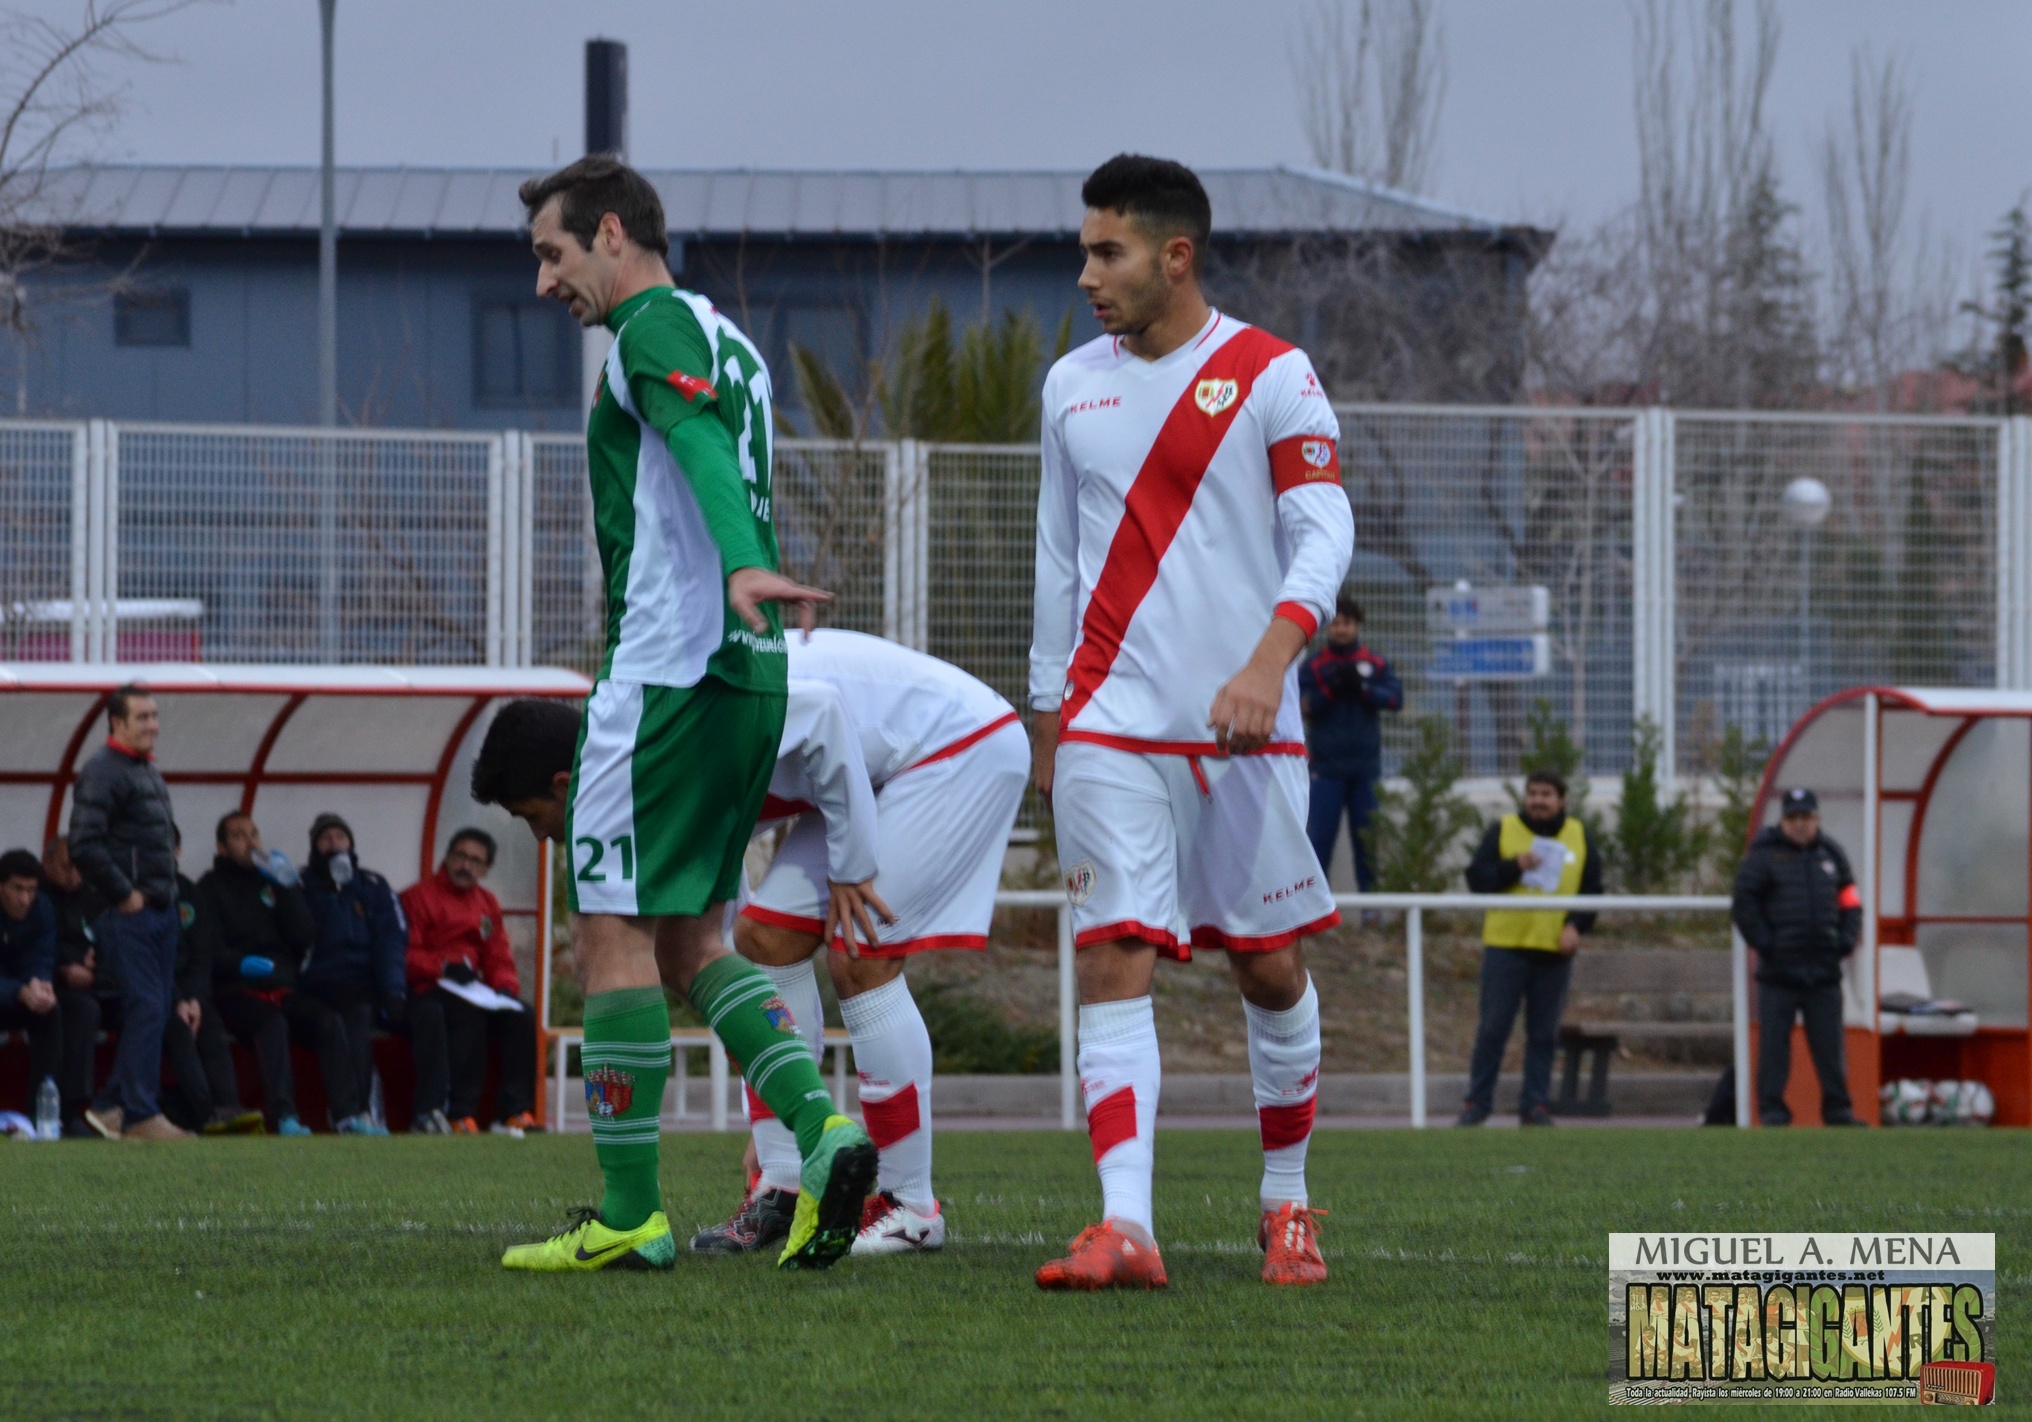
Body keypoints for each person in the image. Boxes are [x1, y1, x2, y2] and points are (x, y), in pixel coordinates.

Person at [499, 154, 874, 1273]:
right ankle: (824, 1127)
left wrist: (749, 563)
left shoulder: (651, 331)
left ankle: (627, 1215)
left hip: (665, 676)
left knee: (607, 925)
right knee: (693, 941)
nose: (543, 284)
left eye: (551, 255)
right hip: (747, 681)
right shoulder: (731, 341)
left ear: (611, 234)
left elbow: (703, 451)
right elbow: (717, 441)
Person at [1027, 155, 1354, 1289]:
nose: (1085, 275)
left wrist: (1271, 661)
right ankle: (1126, 1227)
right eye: (1082, 251)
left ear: (1176, 257)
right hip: (1109, 723)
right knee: (1114, 954)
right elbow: (1057, 562)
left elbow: (1323, 533)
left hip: (1245, 733)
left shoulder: (1272, 372)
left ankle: (1286, 1205)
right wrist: (1046, 714)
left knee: (1267, 972)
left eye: (1105, 252)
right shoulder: (1070, 385)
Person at [664, 630, 1023, 1256]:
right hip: (869, 770)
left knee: (860, 954)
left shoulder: (679, 732)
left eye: (536, 818)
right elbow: (727, 925)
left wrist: (853, 865)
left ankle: (911, 1206)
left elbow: (825, 709)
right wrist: (773, 1104)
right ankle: (781, 1185)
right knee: (764, 940)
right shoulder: (664, 752)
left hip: (955, 746)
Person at [69, 684, 193, 1141]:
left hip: (158, 909)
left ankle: (112, 1106)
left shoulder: (145, 771)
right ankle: (141, 1113)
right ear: (116, 723)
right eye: (142, 717)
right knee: (147, 1005)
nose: (153, 725)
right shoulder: (104, 770)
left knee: (156, 1008)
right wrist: (124, 893)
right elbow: (83, 842)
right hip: (128, 913)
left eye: (155, 716)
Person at [199, 811, 372, 1136]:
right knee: (272, 1024)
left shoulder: (272, 882)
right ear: (222, 847)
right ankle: (284, 1117)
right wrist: (239, 963)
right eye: (238, 836)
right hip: (235, 990)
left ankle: (348, 1115)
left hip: (281, 986)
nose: (250, 842)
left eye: (254, 833)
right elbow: (208, 948)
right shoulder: (210, 887)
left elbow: (304, 936)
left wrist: (289, 887)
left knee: (327, 1021)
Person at [1459, 769, 1603, 1127]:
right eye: (1533, 793)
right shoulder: (1505, 829)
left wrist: (1576, 925)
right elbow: (1477, 879)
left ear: (1561, 800)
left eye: (1547, 794)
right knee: (1493, 1029)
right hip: (1506, 946)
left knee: (1543, 1034)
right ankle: (1477, 1103)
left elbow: (1593, 890)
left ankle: (1535, 1105)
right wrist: (1514, 867)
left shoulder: (1579, 835)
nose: (1539, 800)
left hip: (1553, 950)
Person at [1732, 787, 1864, 1127]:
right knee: (1774, 1048)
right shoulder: (1764, 856)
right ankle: (1773, 1112)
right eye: (1793, 818)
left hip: (1823, 970)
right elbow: (1744, 904)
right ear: (1783, 821)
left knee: (1830, 1048)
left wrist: (1845, 941)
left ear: (1817, 819)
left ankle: (1838, 1111)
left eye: (1806, 817)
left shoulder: (1833, 854)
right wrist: (1767, 943)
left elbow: (1851, 901)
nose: (1800, 825)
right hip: (1779, 972)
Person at [399, 829, 537, 1137]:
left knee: (522, 1015)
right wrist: (443, 967)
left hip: (472, 989)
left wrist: (504, 987)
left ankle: (513, 1112)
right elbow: (404, 954)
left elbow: (498, 954)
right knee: (467, 1013)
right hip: (427, 989)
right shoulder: (418, 897)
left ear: (485, 869)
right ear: (447, 857)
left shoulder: (486, 903)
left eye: (476, 861)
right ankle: (459, 1114)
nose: (466, 865)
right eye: (461, 856)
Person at [299, 813, 404, 1134]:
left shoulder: (371, 885)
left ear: (351, 844)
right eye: (325, 838)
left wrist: (393, 991)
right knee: (330, 1024)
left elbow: (391, 941)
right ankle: (346, 1112)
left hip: (360, 984)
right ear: (315, 847)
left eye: (340, 837)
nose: (334, 844)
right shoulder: (301, 885)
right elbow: (294, 936)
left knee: (358, 1017)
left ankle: (361, 1111)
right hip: (313, 984)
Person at [1299, 593, 1402, 893]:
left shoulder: (1375, 663)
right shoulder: (1315, 667)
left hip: (1365, 770)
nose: (1341, 629)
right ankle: (1316, 913)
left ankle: (1372, 912)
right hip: (1326, 770)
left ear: (1358, 625)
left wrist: (1364, 689)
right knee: (1319, 842)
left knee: (1367, 843)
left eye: (1347, 623)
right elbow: (1302, 708)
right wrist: (1331, 689)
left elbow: (1396, 700)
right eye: (1336, 624)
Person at [44, 835, 110, 1135]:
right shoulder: (39, 897)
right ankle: (75, 1108)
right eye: (66, 867)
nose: (74, 875)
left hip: (98, 983)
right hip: (54, 985)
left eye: (80, 868)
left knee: (146, 1003)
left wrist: (99, 966)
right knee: (82, 1010)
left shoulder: (96, 896)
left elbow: (112, 942)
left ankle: (136, 1103)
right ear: (48, 865)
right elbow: (39, 947)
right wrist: (67, 966)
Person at [0, 850, 63, 1120]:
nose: (25, 899)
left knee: (52, 1012)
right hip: (9, 993)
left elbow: (41, 955)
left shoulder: (43, 908)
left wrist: (40, 984)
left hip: (21, 996)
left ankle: (42, 1118)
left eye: (31, 890)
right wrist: (19, 991)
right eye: (17, 889)